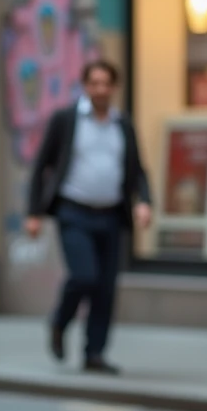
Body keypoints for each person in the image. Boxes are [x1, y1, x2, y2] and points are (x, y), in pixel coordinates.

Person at [25, 60, 153, 374]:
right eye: (94, 83)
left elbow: (138, 170)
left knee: (105, 287)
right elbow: (41, 165)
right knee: (84, 276)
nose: (100, 89)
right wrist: (34, 213)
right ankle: (59, 322)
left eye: (106, 84)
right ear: (85, 86)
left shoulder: (122, 124)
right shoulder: (66, 120)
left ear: (113, 87)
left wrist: (144, 202)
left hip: (111, 214)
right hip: (74, 211)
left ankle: (94, 353)